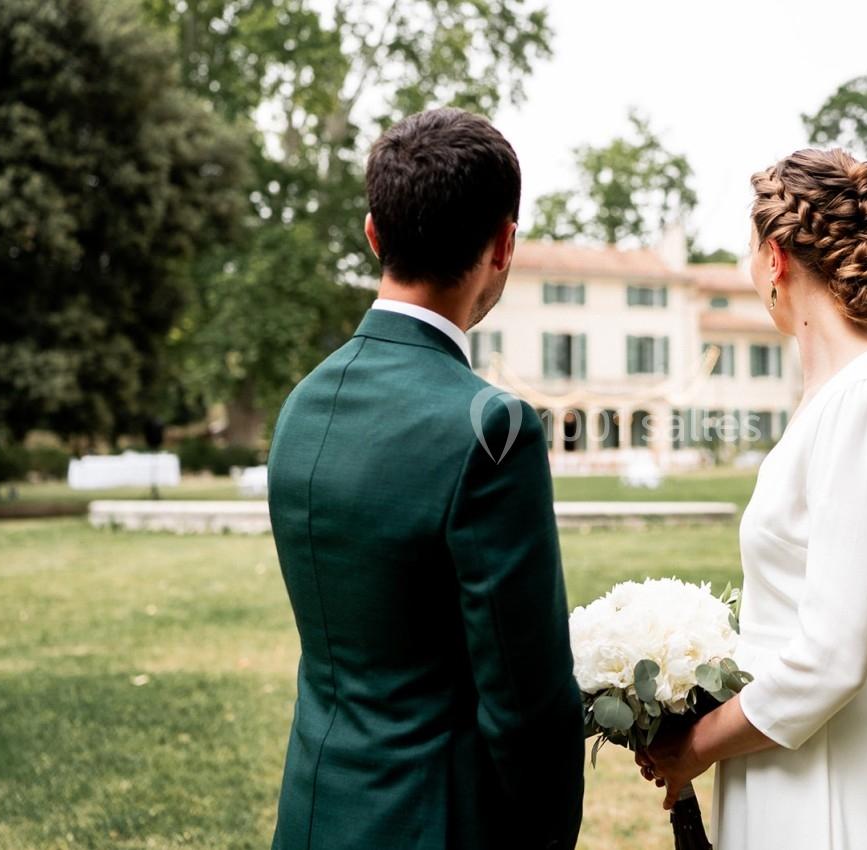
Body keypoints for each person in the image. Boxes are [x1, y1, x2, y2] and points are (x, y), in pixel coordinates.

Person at [267, 107, 584, 850]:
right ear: (504, 245)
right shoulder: (493, 427)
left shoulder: (302, 404)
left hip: (313, 810)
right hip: (437, 821)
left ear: (373, 234)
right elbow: (525, 699)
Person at [641, 148, 867, 849]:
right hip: (780, 744)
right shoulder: (837, 394)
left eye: (749, 252)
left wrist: (695, 745)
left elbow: (834, 653)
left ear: (776, 259)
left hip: (832, 766)